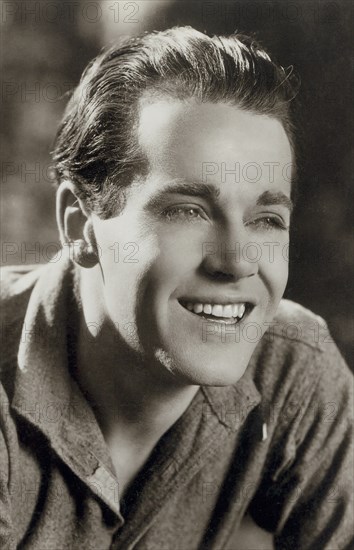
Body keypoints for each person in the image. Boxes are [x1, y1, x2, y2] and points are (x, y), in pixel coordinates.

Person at [0, 26, 353, 550]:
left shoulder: (293, 369)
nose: (237, 262)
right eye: (187, 210)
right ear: (79, 227)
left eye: (266, 219)